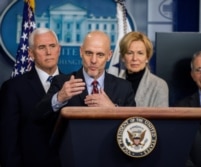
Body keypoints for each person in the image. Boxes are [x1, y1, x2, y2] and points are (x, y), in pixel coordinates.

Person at [33, 30, 135, 124]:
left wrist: (113, 110)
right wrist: (59, 98)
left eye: (100, 55)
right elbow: (38, 117)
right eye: (89, 53)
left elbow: (134, 126)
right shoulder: (61, 83)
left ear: (109, 55)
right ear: (81, 52)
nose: (93, 60)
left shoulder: (124, 88)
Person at [0, 27, 61, 167]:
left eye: (52, 46)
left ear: (59, 49)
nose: (48, 52)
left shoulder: (74, 84)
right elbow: (8, 140)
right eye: (41, 47)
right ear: (31, 53)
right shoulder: (13, 88)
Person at [118, 31, 169, 107]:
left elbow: (161, 118)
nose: (135, 58)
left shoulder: (159, 85)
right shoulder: (114, 82)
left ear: (147, 57)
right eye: (130, 53)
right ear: (123, 57)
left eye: (140, 53)